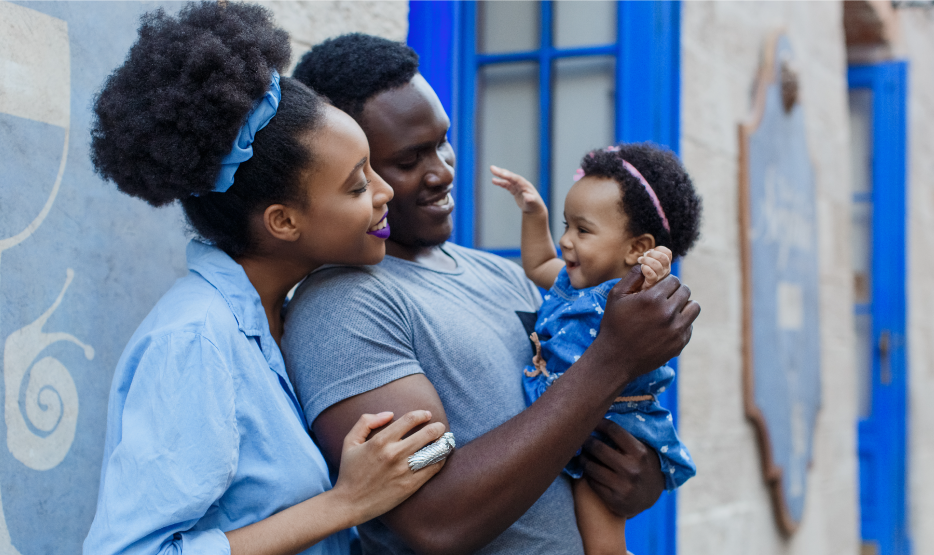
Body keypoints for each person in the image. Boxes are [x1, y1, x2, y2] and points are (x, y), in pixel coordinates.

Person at [282, 34, 701, 555]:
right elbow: (436, 522)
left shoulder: (499, 275)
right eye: (410, 159)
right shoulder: (343, 305)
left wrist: (638, 478)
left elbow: (576, 418)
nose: (442, 171)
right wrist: (613, 358)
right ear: (356, 172)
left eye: (442, 142)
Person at [84, 6, 446, 555]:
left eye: (372, 168)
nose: (384, 192)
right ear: (283, 221)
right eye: (355, 186)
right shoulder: (195, 341)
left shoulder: (287, 315)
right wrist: (346, 502)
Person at [490, 142, 703, 555]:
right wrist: (535, 215)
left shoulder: (625, 298)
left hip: (608, 432)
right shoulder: (573, 285)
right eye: (566, 226)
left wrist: (652, 274)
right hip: (569, 413)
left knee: (598, 525)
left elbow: (652, 303)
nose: (566, 241)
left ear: (636, 249)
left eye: (582, 230)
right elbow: (536, 264)